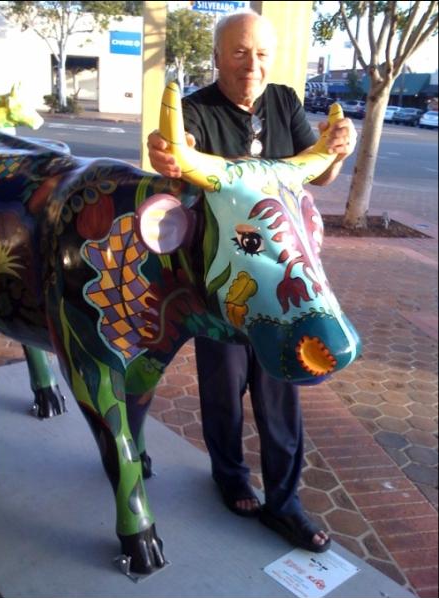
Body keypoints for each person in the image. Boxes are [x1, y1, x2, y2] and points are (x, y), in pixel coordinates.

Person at [148, 10, 357, 553]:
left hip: (281, 283)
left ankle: (284, 501)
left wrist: (338, 150)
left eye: (262, 54)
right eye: (239, 53)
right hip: (221, 280)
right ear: (218, 56)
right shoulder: (195, 109)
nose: (251, 66)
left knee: (280, 389)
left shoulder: (284, 101)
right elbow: (176, 161)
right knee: (223, 384)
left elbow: (319, 173)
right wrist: (168, 155)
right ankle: (230, 476)